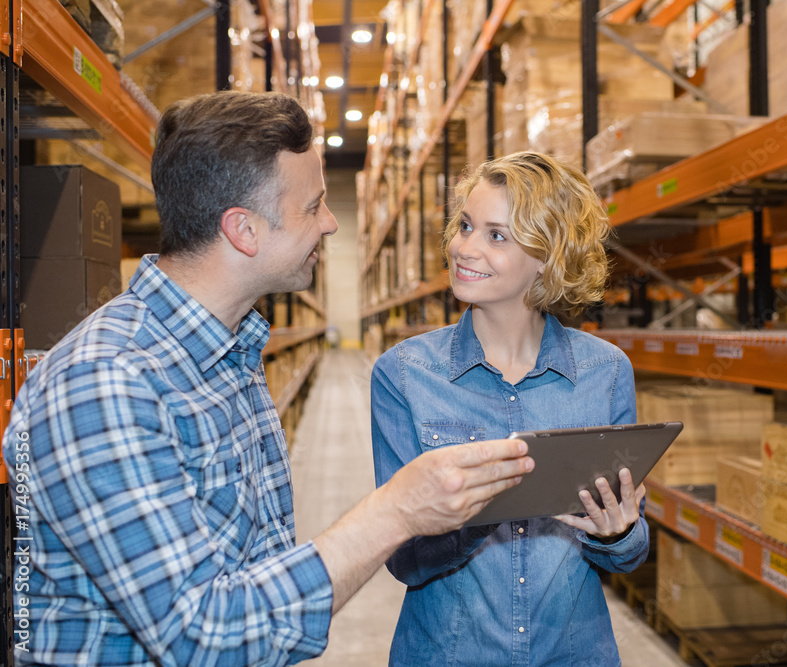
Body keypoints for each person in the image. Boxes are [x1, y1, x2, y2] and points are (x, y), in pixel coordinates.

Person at [2, 91, 533, 666]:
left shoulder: (229, 352)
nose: (330, 225)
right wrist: (396, 511)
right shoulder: (104, 384)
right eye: (313, 207)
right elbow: (204, 639)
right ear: (244, 231)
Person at [371, 151, 648, 665]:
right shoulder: (404, 375)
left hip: (572, 654)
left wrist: (621, 531)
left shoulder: (606, 372)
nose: (464, 248)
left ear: (548, 256)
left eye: (496, 235)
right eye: (466, 226)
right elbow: (405, 560)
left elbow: (630, 555)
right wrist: (481, 507)